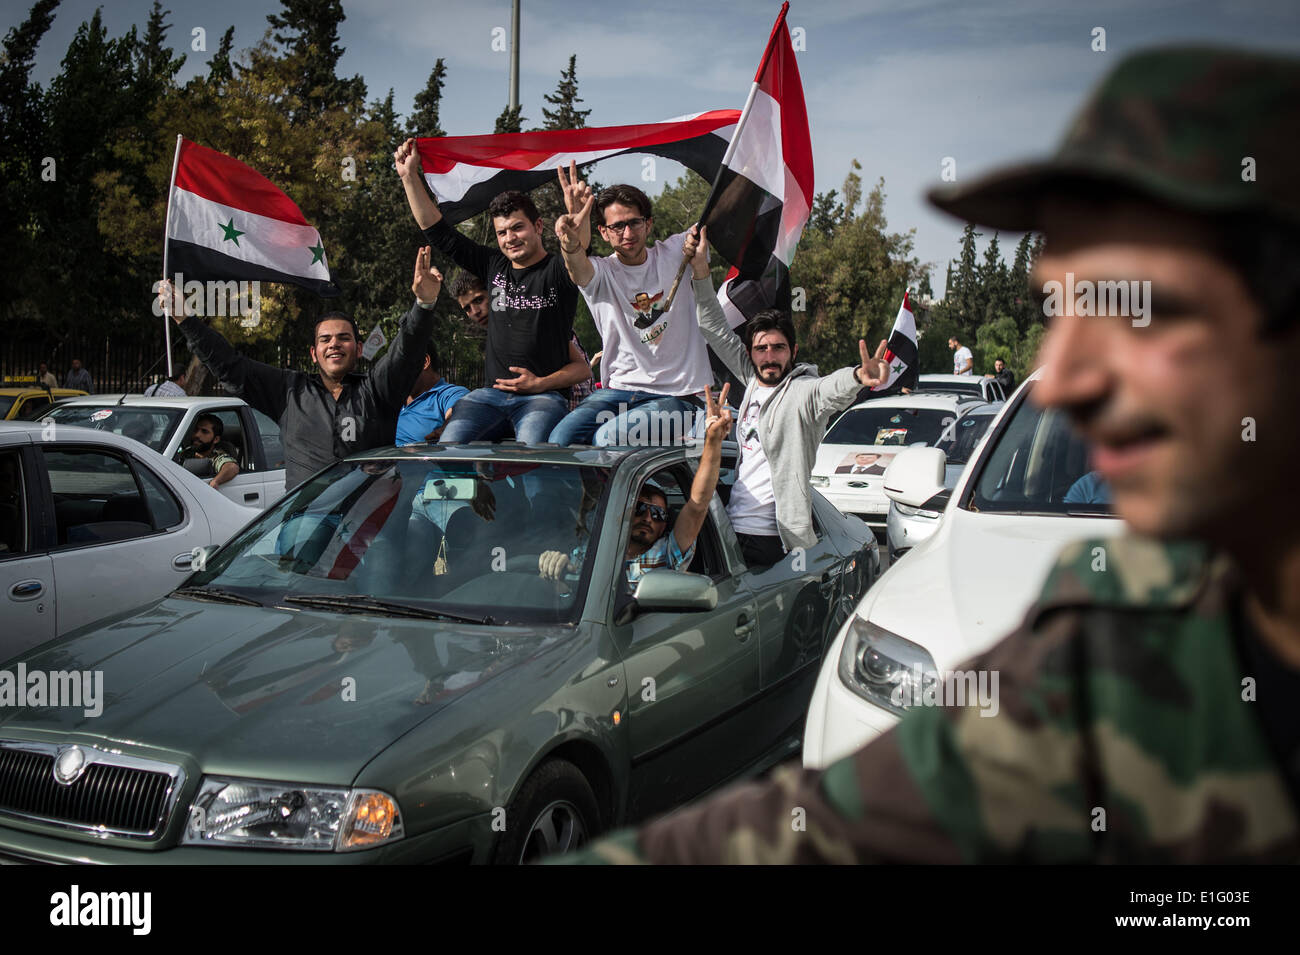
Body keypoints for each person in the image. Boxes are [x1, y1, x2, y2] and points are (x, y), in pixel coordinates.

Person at [559, 45, 1300, 865]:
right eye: (1060, 307)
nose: (1066, 383)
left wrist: (862, 376)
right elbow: (838, 821)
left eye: (1141, 306)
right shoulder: (1127, 633)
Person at [683, 226, 889, 569]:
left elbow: (829, 390)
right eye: (761, 349)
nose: (769, 356)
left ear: (792, 351)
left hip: (775, 542)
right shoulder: (750, 379)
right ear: (751, 353)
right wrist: (701, 271)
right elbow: (713, 326)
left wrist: (858, 377)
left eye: (778, 348)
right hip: (729, 529)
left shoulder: (801, 392)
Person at [161, 247, 440, 490]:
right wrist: (185, 319)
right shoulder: (289, 390)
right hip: (306, 524)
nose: (334, 344)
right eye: (325, 339)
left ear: (358, 347)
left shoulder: (377, 391)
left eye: (344, 338)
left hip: (370, 521)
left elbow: (405, 353)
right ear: (314, 353)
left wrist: (424, 305)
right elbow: (229, 366)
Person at [394, 138, 587, 444]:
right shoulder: (493, 265)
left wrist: (540, 384)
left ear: (538, 226)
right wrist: (409, 177)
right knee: (449, 452)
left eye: (517, 228)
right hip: (488, 398)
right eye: (502, 232)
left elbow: (577, 254)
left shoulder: (558, 271)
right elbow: (438, 231)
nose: (510, 238)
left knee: (532, 462)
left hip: (543, 400)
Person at [549, 176, 715, 447]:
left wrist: (750, 158)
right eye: (617, 226)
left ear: (648, 224)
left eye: (634, 222)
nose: (627, 233)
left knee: (609, 438)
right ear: (603, 231)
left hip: (678, 398)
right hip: (617, 394)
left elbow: (722, 209)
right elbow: (577, 268)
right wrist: (569, 243)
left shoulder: (675, 253)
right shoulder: (601, 273)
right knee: (559, 440)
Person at [538, 384, 732, 590]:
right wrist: (553, 569)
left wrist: (713, 441)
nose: (648, 518)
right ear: (624, 513)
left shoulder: (667, 553)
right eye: (640, 509)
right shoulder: (591, 551)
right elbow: (568, 597)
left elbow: (698, 505)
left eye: (658, 514)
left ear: (665, 525)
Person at [449, 270, 594, 414]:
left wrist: (539, 384)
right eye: (467, 308)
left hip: (569, 408)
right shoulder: (498, 333)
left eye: (478, 300)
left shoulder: (532, 319)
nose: (475, 311)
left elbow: (582, 371)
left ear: (495, 294)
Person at [396, 341, 469, 445]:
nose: (394, 373)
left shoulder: (450, 394)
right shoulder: (391, 397)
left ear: (425, 362)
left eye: (400, 365)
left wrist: (447, 428)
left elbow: (459, 412)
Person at [177, 413, 239, 489]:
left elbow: (232, 467)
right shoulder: (185, 452)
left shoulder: (215, 457)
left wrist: (216, 481)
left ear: (216, 439)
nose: (197, 435)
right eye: (196, 430)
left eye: (204, 431)